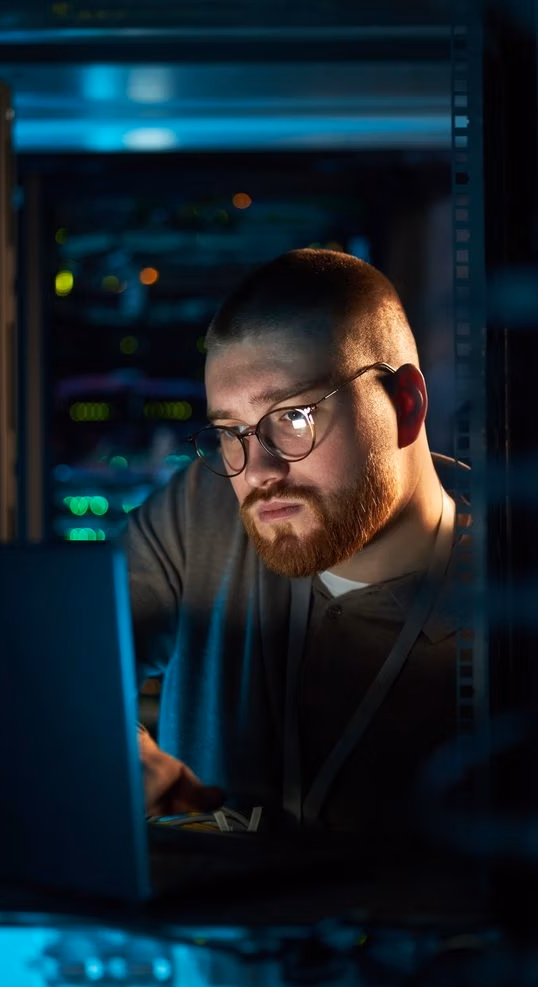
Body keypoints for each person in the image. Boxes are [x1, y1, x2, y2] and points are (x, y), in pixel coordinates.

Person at [127, 248, 463, 837]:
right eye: (231, 432)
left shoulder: (510, 582)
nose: (256, 470)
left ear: (404, 406)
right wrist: (157, 787)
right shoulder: (201, 509)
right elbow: (54, 664)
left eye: (294, 416)